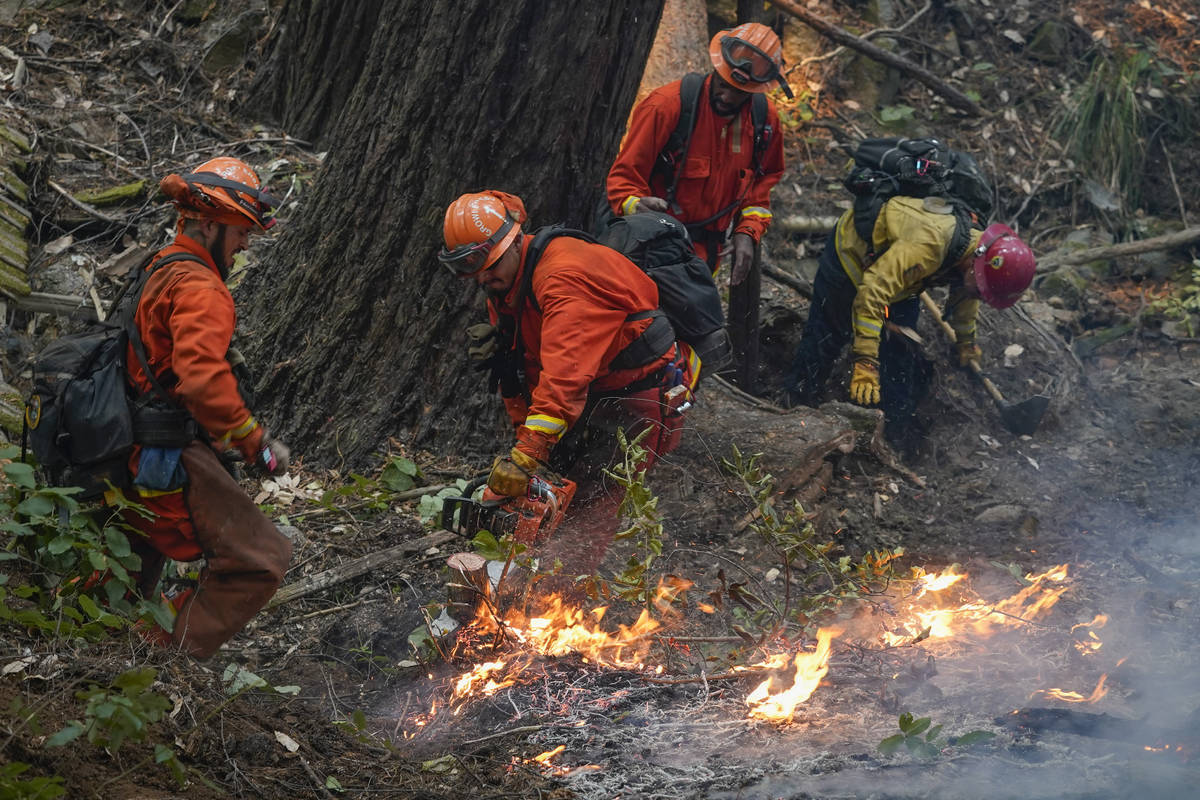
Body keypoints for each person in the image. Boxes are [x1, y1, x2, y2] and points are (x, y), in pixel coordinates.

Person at [439, 191, 699, 568]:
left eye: (485, 263)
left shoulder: (563, 278)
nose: (481, 276)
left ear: (512, 242)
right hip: (593, 390)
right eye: (467, 267)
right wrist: (526, 447)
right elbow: (523, 371)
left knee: (592, 506)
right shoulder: (507, 286)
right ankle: (518, 581)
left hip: (639, 395)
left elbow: (563, 379)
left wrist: (528, 455)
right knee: (549, 494)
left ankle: (560, 600)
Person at [118, 157, 293, 658]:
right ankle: (159, 660)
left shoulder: (161, 264)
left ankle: (109, 653)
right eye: (241, 233)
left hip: (128, 443)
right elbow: (201, 377)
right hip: (164, 450)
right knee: (261, 559)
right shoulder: (200, 287)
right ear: (211, 223)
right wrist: (254, 443)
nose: (243, 247)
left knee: (135, 563)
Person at [605, 22, 788, 388]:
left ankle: (678, 406)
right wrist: (635, 206)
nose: (728, 95)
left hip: (707, 254)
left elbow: (761, 184)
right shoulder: (666, 106)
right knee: (646, 337)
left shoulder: (763, 121)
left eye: (739, 91)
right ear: (715, 68)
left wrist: (747, 232)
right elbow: (622, 179)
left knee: (694, 347)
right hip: (651, 253)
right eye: (724, 84)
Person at [783, 195, 1036, 452]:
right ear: (976, 266)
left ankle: (894, 440)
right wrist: (865, 362)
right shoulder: (930, 244)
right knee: (827, 336)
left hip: (904, 281)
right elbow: (872, 293)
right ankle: (797, 410)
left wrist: (966, 341)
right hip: (852, 257)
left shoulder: (974, 254)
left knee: (901, 357)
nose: (981, 296)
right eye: (982, 290)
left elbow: (967, 295)